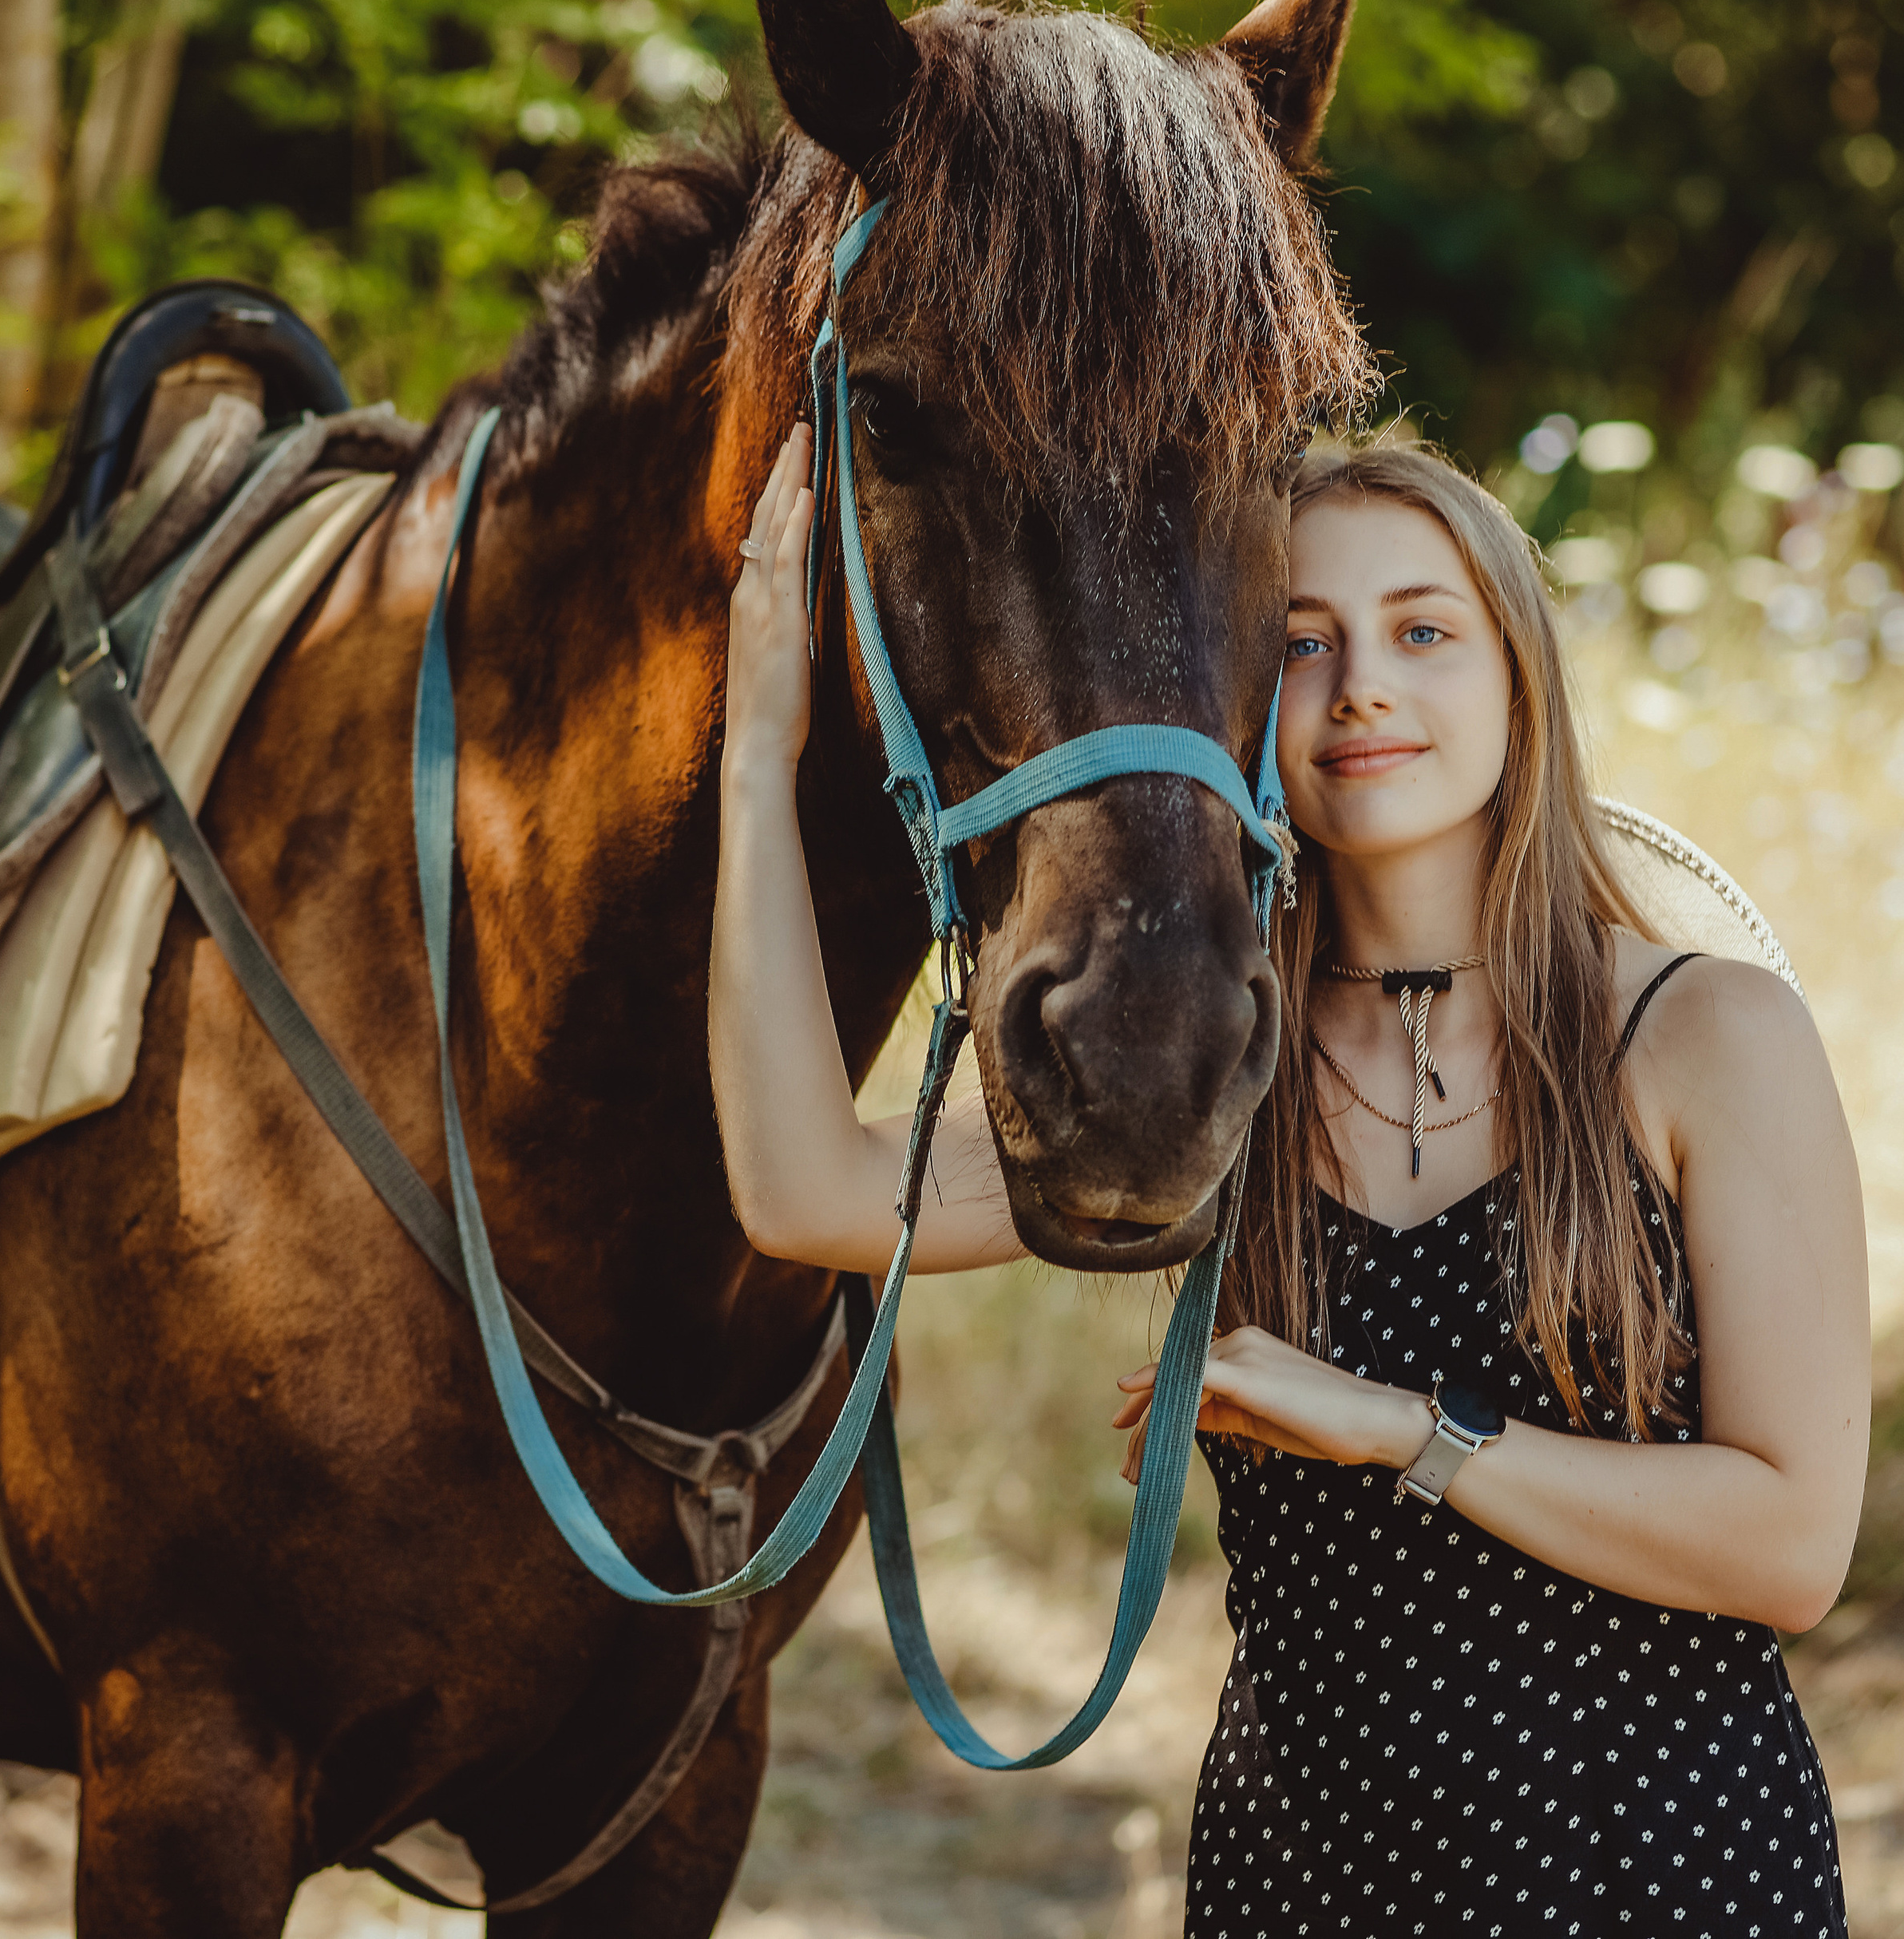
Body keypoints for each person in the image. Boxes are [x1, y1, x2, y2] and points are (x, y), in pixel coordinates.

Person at [710, 424, 1866, 1935]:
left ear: (1518, 675)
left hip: (1654, 1863)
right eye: (1301, 642)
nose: (1362, 685)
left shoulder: (1703, 1036)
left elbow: (1789, 1547)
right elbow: (807, 1193)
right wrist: (755, 756)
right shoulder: (1217, 1062)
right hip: (1301, 1874)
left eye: (1422, 632)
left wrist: (1395, 1430)